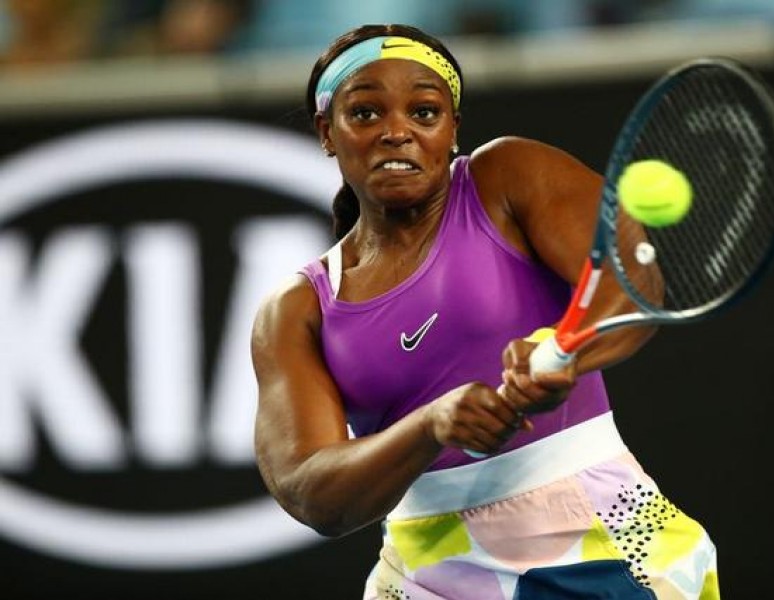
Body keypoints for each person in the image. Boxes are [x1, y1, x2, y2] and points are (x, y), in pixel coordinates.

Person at [252, 23, 720, 600]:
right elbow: (310, 492)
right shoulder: (296, 310)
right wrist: (429, 426)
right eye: (366, 113)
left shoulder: (507, 174)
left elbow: (632, 282)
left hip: (595, 537)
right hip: (424, 572)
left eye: (424, 113)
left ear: (453, 128)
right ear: (328, 131)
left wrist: (563, 353)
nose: (396, 132)